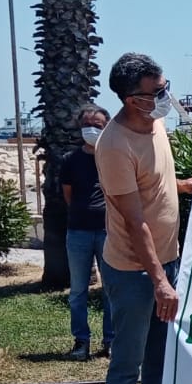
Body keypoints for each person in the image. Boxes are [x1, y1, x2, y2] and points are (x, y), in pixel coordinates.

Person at [94, 52, 192, 384]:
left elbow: (152, 181)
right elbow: (132, 218)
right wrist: (158, 280)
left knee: (160, 356)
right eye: (156, 92)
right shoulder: (113, 145)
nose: (164, 97)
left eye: (164, 87)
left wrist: (181, 186)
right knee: (127, 363)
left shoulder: (156, 125)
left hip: (166, 262)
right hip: (134, 271)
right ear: (131, 99)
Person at [59, 103, 115, 360]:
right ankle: (81, 342)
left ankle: (110, 341)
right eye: (87, 125)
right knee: (78, 291)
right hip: (78, 233)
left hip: (108, 232)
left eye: (97, 125)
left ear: (107, 127)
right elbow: (68, 195)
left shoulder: (114, 157)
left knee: (111, 289)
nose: (91, 129)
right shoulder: (70, 160)